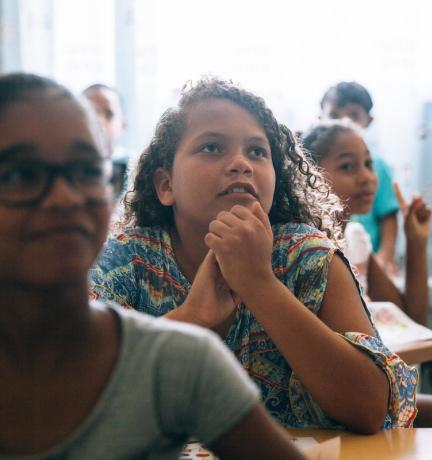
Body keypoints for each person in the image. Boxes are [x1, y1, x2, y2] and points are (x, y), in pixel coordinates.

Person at [0, 72, 306, 459]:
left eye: (87, 171)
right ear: (164, 185)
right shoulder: (131, 261)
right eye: (21, 175)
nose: (65, 198)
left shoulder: (181, 362)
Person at [91, 77, 418, 433]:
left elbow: (370, 407)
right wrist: (193, 317)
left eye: (257, 151)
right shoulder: (125, 261)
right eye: (212, 148)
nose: (241, 163)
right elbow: (77, 393)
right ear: (166, 185)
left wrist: (259, 283)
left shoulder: (308, 257)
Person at [301, 119, 432, 428]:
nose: (367, 177)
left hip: (376, 394)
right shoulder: (308, 249)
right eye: (348, 167)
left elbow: (410, 316)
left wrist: (415, 243)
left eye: (368, 164)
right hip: (331, 404)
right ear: (309, 176)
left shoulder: (356, 239)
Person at [320, 81, 400, 275]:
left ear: (368, 120)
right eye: (334, 115)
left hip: (366, 260)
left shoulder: (378, 165)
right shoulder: (315, 161)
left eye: (353, 115)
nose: (344, 122)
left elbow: (388, 215)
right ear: (320, 118)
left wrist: (385, 257)